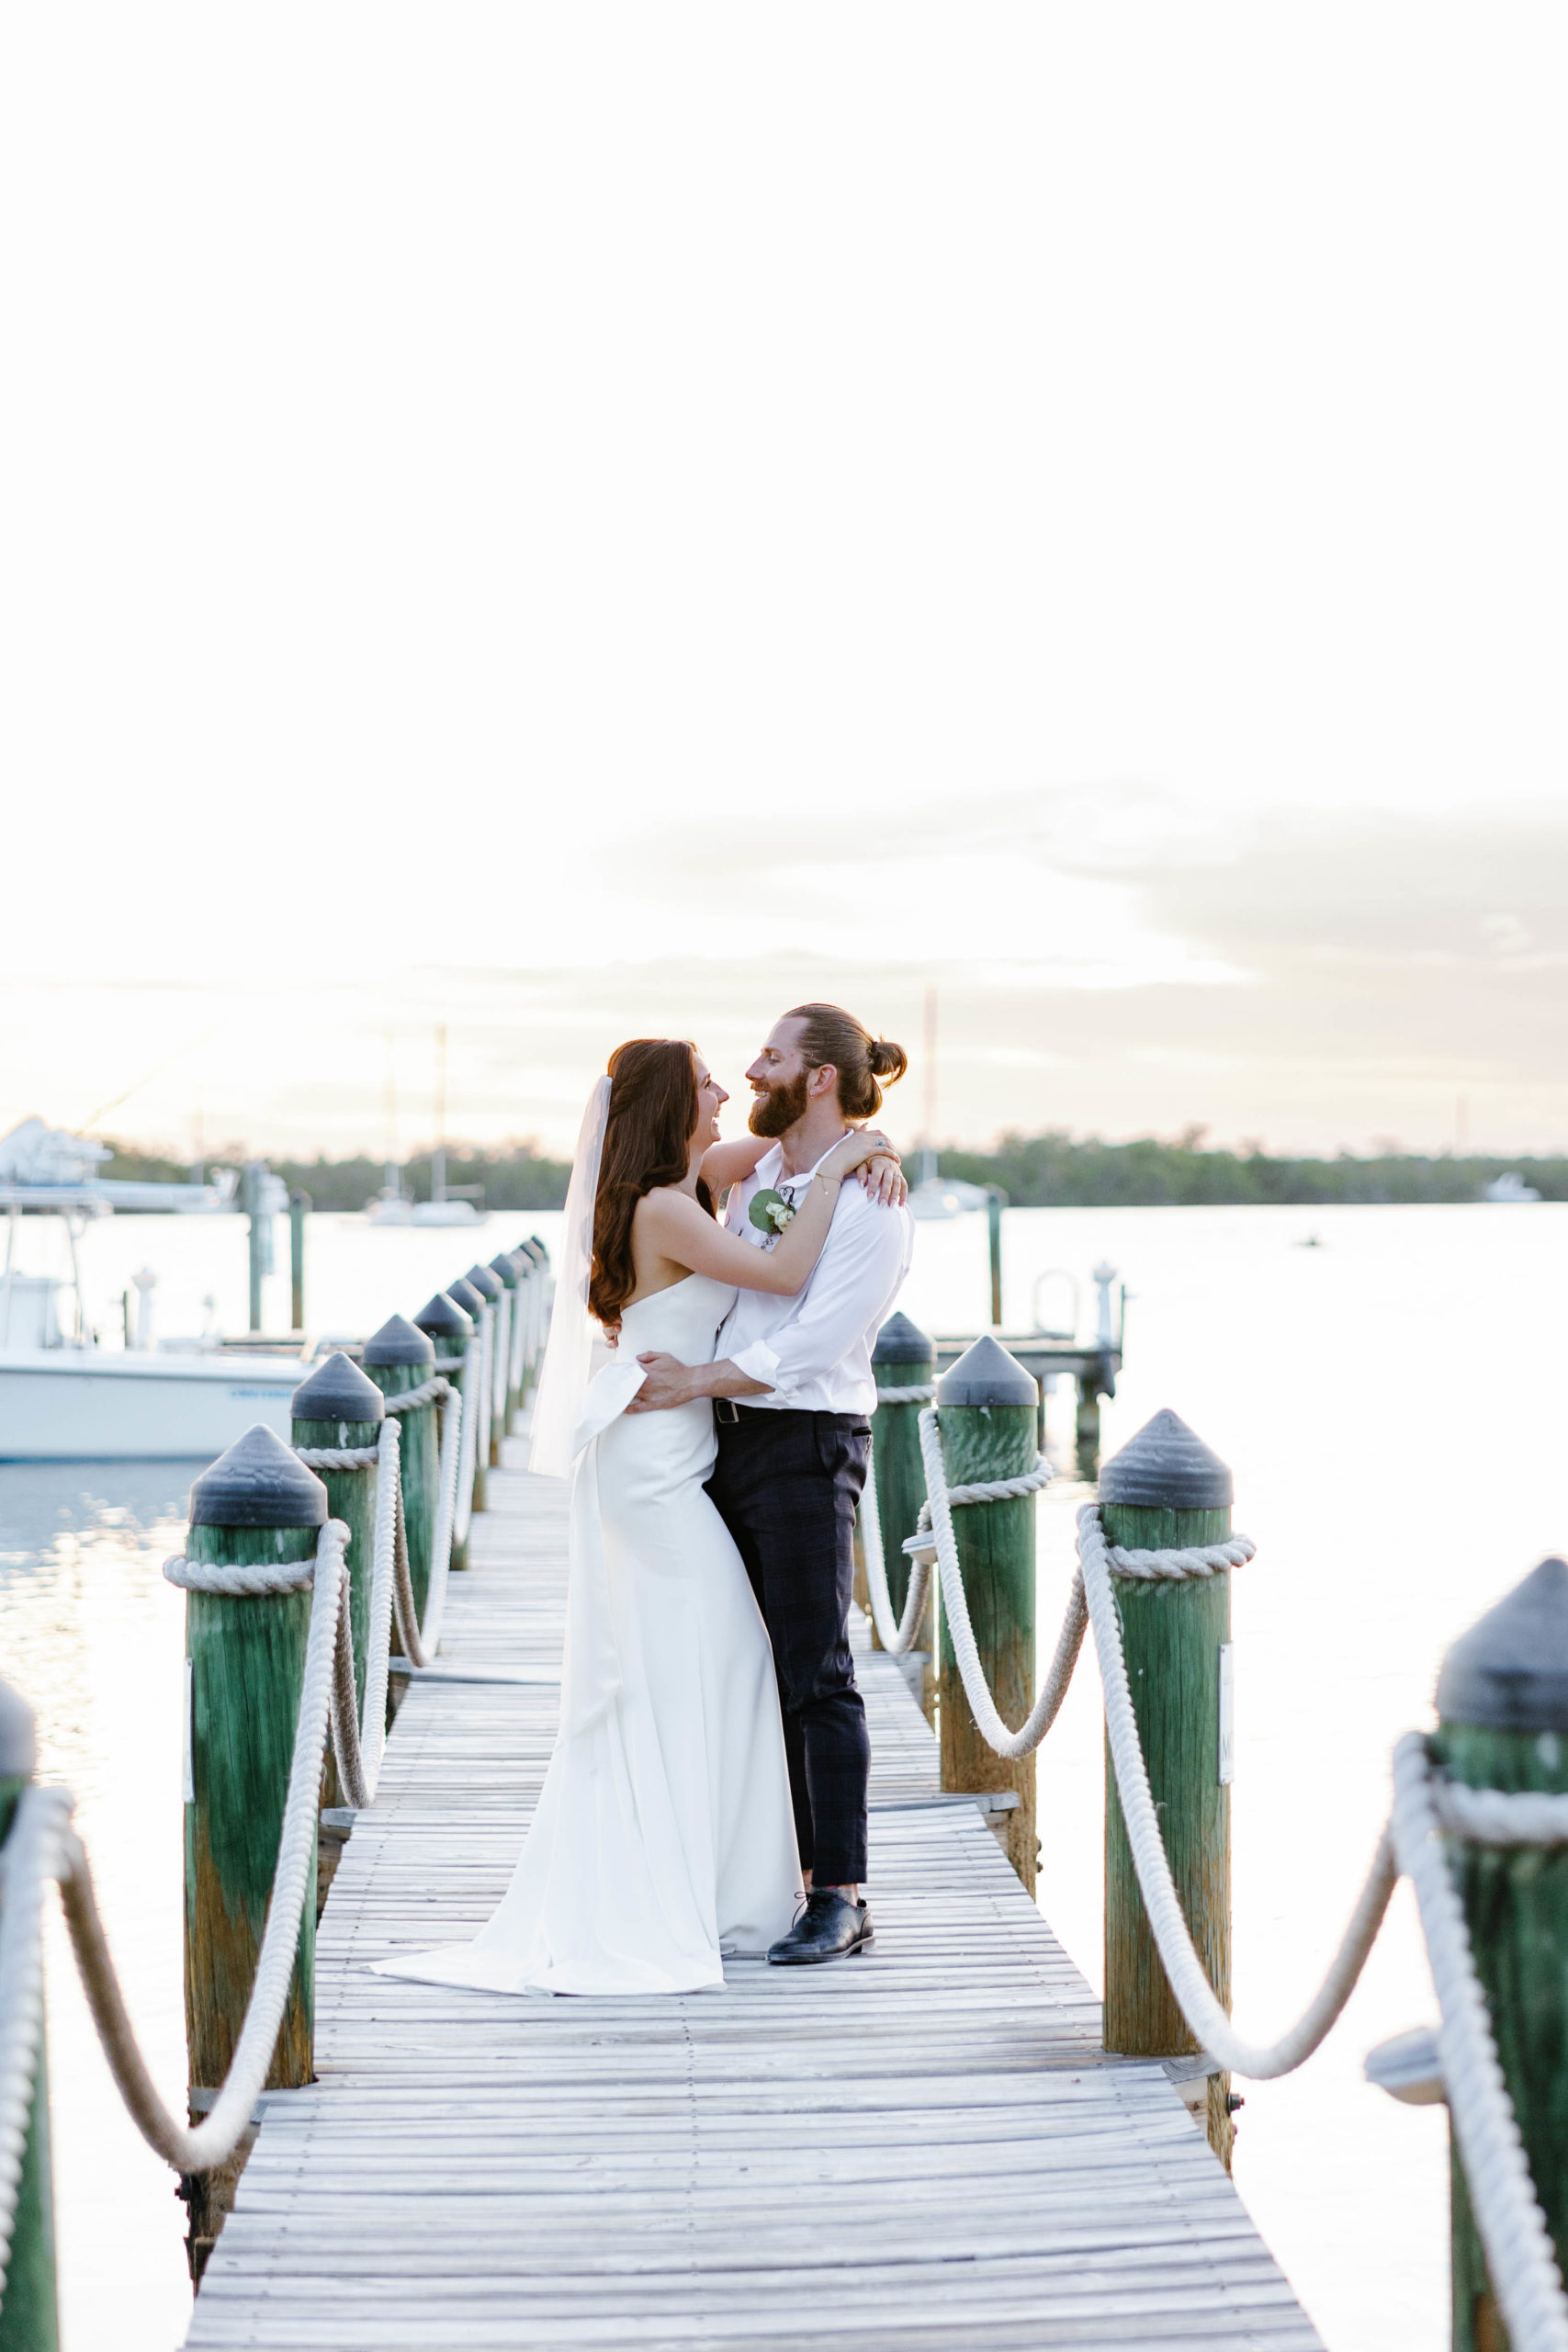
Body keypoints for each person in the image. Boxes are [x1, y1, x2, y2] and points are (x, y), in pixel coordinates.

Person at [372, 1035, 904, 1997]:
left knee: (700, 1660)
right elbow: (784, 1272)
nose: (724, 1090)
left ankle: (723, 1878)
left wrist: (868, 1149)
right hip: (654, 1460)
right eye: (705, 1083)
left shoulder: (696, 1173)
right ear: (671, 1104)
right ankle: (703, 1882)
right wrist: (845, 1170)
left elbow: (784, 1154)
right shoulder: (664, 1208)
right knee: (727, 1654)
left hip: (684, 1452)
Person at [627, 1003, 914, 1966]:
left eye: (773, 1057)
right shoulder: (757, 1170)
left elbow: (814, 1343)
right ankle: (751, 1876)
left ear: (820, 1076)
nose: (752, 1071)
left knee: (815, 1673)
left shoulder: (872, 1200)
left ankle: (838, 1894)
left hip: (805, 1444)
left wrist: (696, 1380)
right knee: (743, 1672)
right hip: (719, 1448)